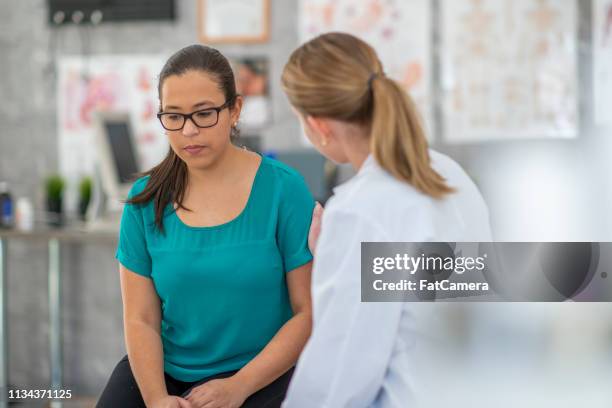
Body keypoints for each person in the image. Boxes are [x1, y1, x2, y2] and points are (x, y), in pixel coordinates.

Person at [280, 32, 493, 407]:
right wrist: (335, 254)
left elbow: (339, 379)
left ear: (319, 126)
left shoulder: (359, 213)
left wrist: (334, 257)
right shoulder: (449, 175)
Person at [97, 44, 314, 408]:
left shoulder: (284, 189)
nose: (188, 131)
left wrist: (239, 386)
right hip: (166, 372)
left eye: (204, 114)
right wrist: (155, 398)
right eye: (174, 117)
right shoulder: (145, 200)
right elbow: (141, 318)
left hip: (261, 371)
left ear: (235, 111)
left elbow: (306, 312)